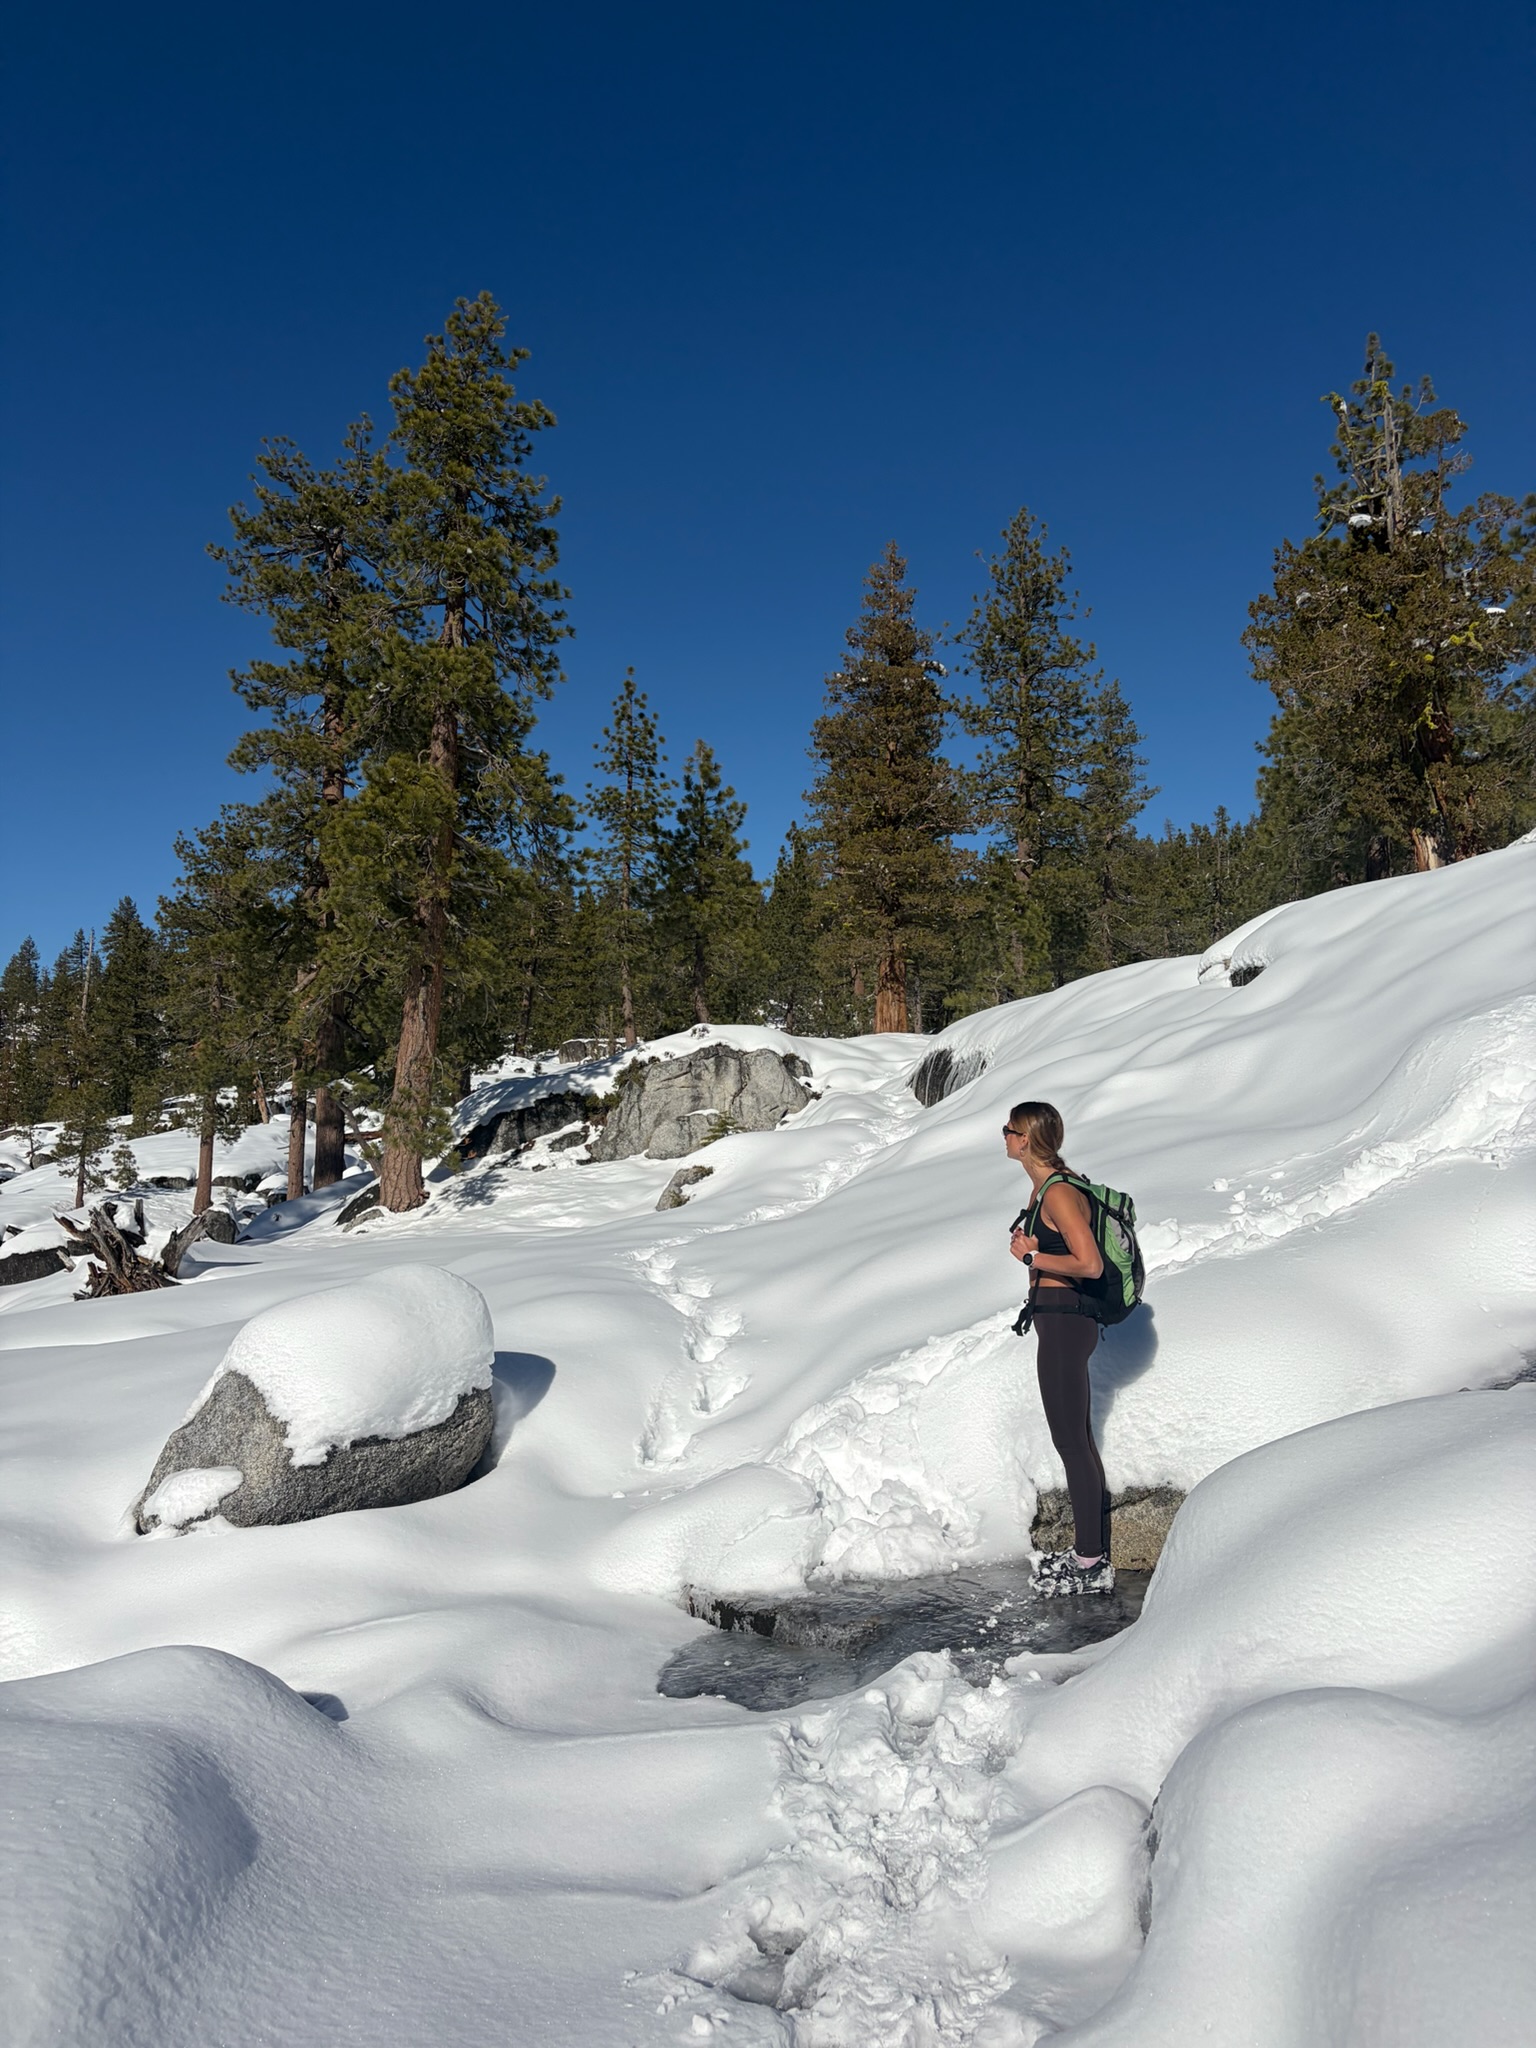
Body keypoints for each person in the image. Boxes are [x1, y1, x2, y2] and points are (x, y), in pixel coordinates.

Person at [1004, 1101, 1114, 1596]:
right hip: (1058, 1320)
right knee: (1074, 1440)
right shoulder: (1047, 1187)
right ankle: (1087, 1554)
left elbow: (1089, 1264)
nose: (1004, 1137)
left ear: (1026, 1138)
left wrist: (1032, 1252)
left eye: (1009, 1130)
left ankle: (1090, 1562)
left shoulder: (1061, 1193)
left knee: (1071, 1443)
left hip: (1068, 1321)